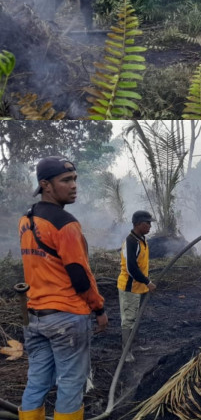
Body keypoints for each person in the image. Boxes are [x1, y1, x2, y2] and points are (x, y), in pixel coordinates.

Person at [18, 156, 108, 420]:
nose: (73, 186)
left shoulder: (27, 219)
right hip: (66, 317)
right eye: (66, 180)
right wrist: (99, 307)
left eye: (75, 180)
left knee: (37, 382)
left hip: (34, 316)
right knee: (70, 383)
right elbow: (80, 276)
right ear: (45, 184)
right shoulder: (66, 224)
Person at [117, 210, 157, 363]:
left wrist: (146, 282)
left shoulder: (141, 239)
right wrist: (148, 282)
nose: (150, 226)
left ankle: (134, 345)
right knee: (128, 319)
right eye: (148, 223)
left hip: (139, 287)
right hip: (130, 287)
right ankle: (126, 351)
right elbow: (131, 268)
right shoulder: (131, 242)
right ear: (139, 224)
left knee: (136, 318)